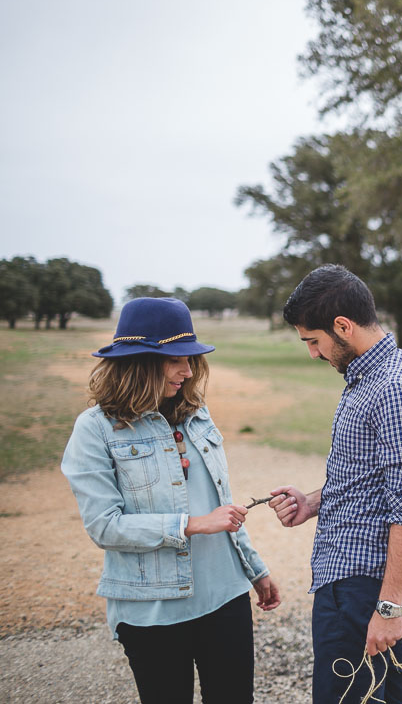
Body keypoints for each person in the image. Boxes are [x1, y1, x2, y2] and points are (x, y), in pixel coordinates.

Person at [61, 297, 280, 704]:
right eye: (177, 357)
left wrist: (254, 569)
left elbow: (221, 502)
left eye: (191, 357)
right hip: (152, 611)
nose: (189, 369)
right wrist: (193, 524)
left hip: (226, 598)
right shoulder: (94, 430)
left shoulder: (196, 412)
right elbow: (104, 526)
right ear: (140, 361)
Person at [266, 264, 402, 704]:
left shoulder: (395, 389)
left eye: (313, 340)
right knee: (390, 696)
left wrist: (388, 607)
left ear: (343, 326)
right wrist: (311, 502)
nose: (312, 353)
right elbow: (367, 478)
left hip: (368, 586)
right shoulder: (365, 378)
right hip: (355, 580)